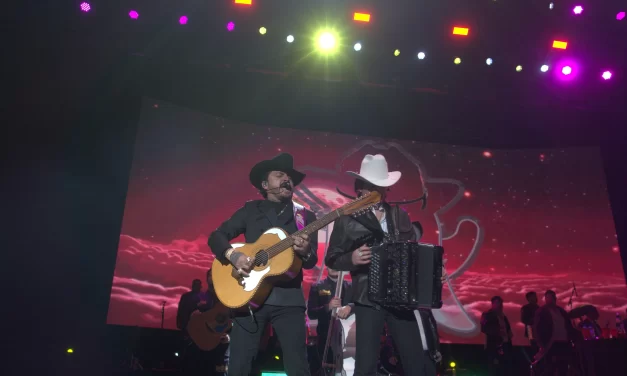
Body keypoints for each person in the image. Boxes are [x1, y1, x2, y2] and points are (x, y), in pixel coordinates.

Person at [325, 154, 437, 376]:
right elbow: (332, 258)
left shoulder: (400, 215)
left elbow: (413, 255)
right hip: (368, 297)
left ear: (387, 190)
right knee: (365, 365)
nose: (374, 192)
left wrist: (432, 275)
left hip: (401, 298)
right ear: (359, 188)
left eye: (380, 187)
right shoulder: (347, 219)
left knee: (416, 363)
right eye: (369, 187)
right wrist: (352, 259)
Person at [207, 153, 318, 376]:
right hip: (248, 296)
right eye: (280, 175)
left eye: (290, 177)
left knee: (298, 368)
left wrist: (306, 252)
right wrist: (234, 256)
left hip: (289, 301)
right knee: (239, 366)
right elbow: (217, 236)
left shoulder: (305, 217)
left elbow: (311, 261)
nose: (287, 179)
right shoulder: (250, 210)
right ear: (265, 184)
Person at [307, 268, 353, 374]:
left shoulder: (350, 286)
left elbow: (359, 306)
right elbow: (311, 313)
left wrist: (350, 307)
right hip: (325, 335)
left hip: (348, 337)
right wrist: (328, 306)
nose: (334, 267)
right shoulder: (317, 286)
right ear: (327, 267)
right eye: (331, 264)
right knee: (324, 368)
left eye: (337, 264)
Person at [533, 290, 581, 376]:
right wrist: (541, 343)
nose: (551, 299)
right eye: (549, 297)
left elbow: (568, 326)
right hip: (551, 343)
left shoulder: (561, 311)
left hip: (564, 343)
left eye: (553, 297)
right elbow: (537, 328)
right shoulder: (542, 311)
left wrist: (577, 335)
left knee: (563, 368)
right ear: (546, 298)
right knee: (550, 368)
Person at [480, 296, 513, 376]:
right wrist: (497, 332)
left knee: (504, 367)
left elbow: (507, 328)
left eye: (501, 303)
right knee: (494, 367)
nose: (500, 305)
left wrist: (509, 334)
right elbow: (484, 328)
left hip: (505, 344)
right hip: (493, 345)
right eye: (498, 303)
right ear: (493, 304)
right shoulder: (487, 315)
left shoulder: (503, 316)